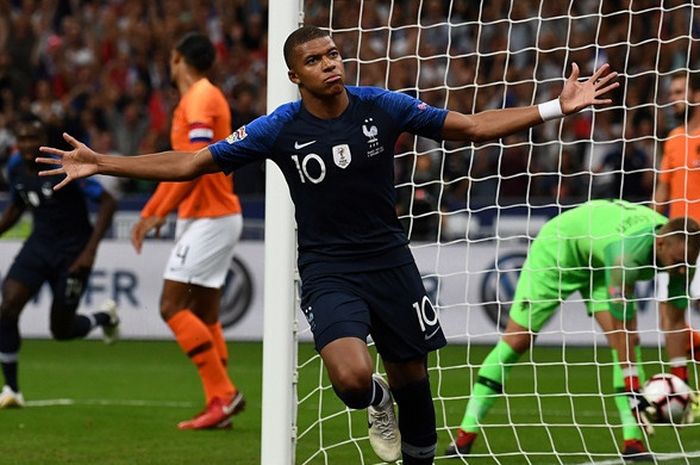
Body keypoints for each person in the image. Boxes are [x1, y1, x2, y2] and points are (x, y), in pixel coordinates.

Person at [36, 25, 617, 464]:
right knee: (352, 378)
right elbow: (191, 161)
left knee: (415, 377)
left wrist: (553, 108)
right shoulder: (278, 127)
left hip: (390, 260)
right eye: (314, 61)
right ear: (295, 75)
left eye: (333, 55)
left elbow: (467, 127)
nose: (329, 65)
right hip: (328, 267)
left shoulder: (381, 106)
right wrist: (103, 162)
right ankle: (375, 404)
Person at [445, 200, 700, 461]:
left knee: (626, 344)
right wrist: (634, 388)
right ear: (659, 245)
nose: (682, 269)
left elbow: (675, 320)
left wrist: (681, 381)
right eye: (677, 262)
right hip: (560, 249)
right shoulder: (628, 256)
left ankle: (633, 443)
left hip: (599, 263)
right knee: (517, 341)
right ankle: (464, 436)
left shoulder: (682, 250)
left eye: (687, 264)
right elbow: (624, 324)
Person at [129, 32, 245, 430]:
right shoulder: (198, 98)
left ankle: (224, 394)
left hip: (210, 216)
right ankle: (218, 402)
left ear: (177, 58)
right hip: (208, 214)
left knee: (171, 307)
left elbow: (195, 166)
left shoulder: (199, 98)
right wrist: (151, 212)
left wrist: (158, 213)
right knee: (205, 313)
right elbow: (178, 168)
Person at [0, 115, 118, 408]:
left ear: (44, 141)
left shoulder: (62, 165)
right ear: (17, 143)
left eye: (33, 138)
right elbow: (18, 204)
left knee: (61, 331)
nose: (28, 144)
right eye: (23, 138)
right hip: (39, 246)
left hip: (73, 253)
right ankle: (12, 389)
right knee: (7, 307)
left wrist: (89, 252)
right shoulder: (15, 167)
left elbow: (108, 203)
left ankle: (104, 317)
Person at [654, 71, 700, 382]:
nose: (673, 98)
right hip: (674, 243)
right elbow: (662, 189)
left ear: (697, 95)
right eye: (671, 93)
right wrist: (653, 225)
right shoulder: (672, 139)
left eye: (679, 91)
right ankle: (681, 388)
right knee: (668, 317)